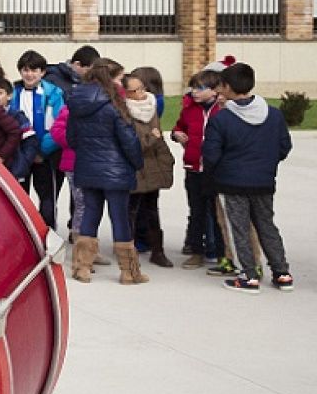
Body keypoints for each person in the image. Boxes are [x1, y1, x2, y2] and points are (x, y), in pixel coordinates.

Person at [205, 62, 294, 293]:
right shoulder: (273, 114)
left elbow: (211, 154)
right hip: (264, 181)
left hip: (231, 181)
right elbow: (284, 146)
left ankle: (248, 275)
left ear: (226, 87)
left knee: (239, 229)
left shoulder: (221, 119)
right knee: (267, 226)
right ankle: (282, 272)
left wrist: (217, 172)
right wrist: (266, 164)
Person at [65, 60, 144, 284]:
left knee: (90, 214)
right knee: (120, 219)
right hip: (116, 170)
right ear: (110, 79)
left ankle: (82, 268)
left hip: (88, 167)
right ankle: (129, 272)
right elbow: (129, 140)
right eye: (119, 79)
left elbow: (72, 139)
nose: (122, 84)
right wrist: (137, 163)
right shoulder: (114, 105)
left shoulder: (76, 105)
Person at [122, 70, 176, 268]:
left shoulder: (151, 105)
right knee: (131, 210)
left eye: (143, 88)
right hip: (134, 167)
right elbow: (134, 143)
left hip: (153, 166)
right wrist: (152, 138)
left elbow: (158, 137)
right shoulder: (123, 112)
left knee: (152, 210)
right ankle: (129, 250)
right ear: (126, 93)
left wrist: (166, 160)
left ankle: (157, 251)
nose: (141, 94)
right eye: (136, 90)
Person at [172, 68, 224, 269]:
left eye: (200, 88)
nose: (194, 91)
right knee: (197, 212)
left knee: (217, 214)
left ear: (214, 90)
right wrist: (177, 134)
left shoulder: (222, 110)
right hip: (193, 168)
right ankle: (196, 251)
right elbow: (179, 127)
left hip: (215, 171)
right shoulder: (190, 109)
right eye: (193, 87)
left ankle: (222, 253)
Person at [8, 50, 66, 228]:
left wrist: (41, 152)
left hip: (45, 155)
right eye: (25, 70)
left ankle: (48, 234)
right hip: (19, 155)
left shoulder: (54, 94)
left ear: (42, 72)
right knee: (18, 199)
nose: (29, 74)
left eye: (34, 70)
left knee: (47, 198)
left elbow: (59, 125)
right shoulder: (13, 92)